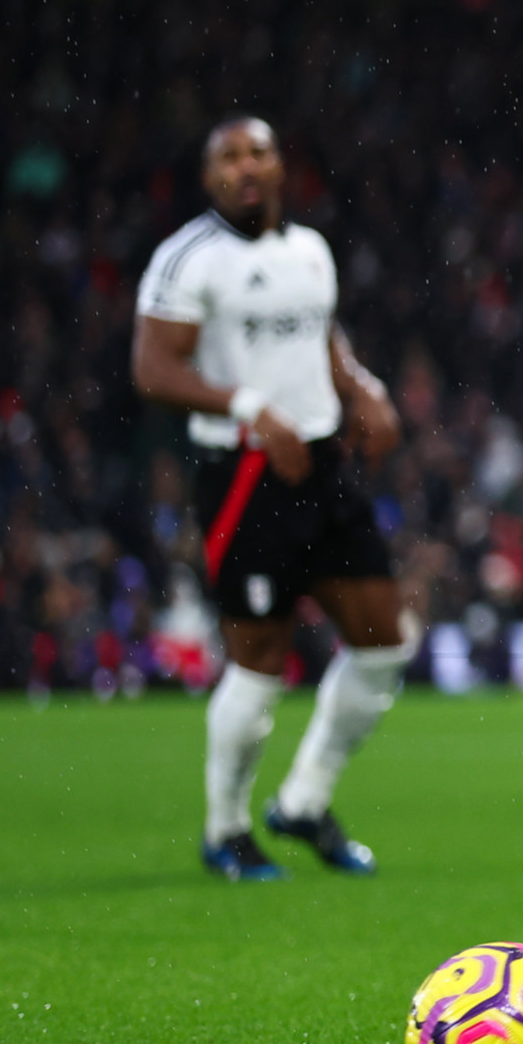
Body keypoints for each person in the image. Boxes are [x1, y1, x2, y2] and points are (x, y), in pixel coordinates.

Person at [131, 118, 412, 881]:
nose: (245, 168)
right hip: (246, 473)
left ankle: (304, 803)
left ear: (281, 165)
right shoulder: (190, 259)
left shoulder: (308, 251)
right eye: (228, 157)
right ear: (209, 176)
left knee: (386, 641)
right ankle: (225, 831)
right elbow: (154, 368)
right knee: (258, 662)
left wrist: (363, 387)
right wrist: (246, 404)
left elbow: (323, 339)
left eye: (257, 153)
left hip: (324, 464)